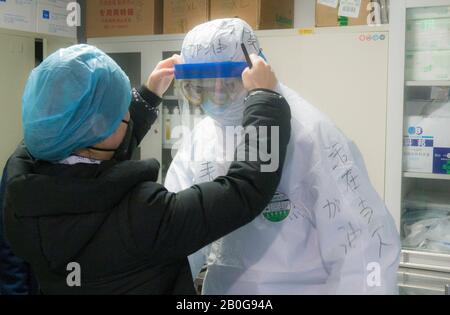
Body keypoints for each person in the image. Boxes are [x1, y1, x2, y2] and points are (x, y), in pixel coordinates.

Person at [3, 44, 291, 294]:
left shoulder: (20, 194)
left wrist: (148, 96)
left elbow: (89, 160)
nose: (127, 112)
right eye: (122, 111)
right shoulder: (145, 216)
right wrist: (265, 101)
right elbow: (246, 188)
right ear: (105, 129)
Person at [165, 18, 402, 295]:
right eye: (198, 89)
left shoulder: (310, 133)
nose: (213, 98)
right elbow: (178, 231)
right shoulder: (202, 137)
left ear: (253, 70)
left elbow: (364, 247)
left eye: (225, 85)